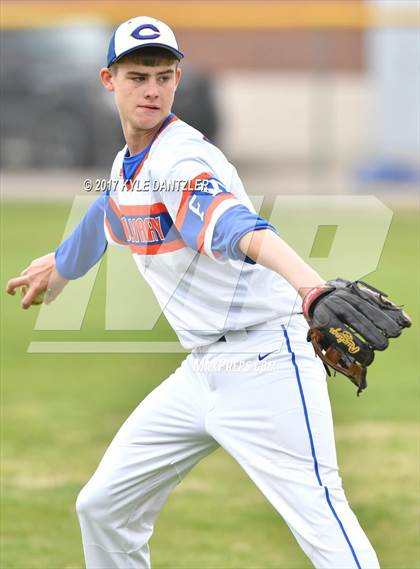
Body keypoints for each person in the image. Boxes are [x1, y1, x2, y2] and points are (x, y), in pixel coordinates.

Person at [6, 16, 380, 569]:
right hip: (202, 369)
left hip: (265, 364)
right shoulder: (133, 165)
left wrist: (311, 290)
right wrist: (60, 266)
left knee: (322, 519)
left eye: (163, 75)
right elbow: (111, 207)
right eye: (138, 76)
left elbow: (237, 225)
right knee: (103, 506)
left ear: (178, 79)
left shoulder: (183, 162)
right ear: (109, 80)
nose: (151, 89)